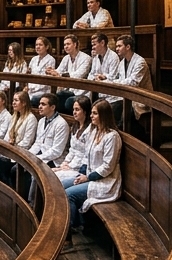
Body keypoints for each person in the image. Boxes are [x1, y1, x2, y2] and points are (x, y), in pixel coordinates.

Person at [63, 100, 123, 234]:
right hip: (89, 176)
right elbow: (86, 156)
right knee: (60, 185)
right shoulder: (94, 131)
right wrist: (82, 175)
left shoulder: (112, 136)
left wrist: (88, 177)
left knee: (68, 195)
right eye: (92, 113)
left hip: (104, 182)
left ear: (104, 115)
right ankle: (75, 222)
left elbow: (108, 167)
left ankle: (70, 232)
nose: (91, 116)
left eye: (95, 113)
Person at [0, 91, 39, 185]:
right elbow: (7, 135)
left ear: (24, 102)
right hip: (10, 150)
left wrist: (13, 145)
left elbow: (27, 142)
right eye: (13, 100)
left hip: (21, 152)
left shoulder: (31, 119)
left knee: (7, 166)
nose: (13, 103)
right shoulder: (15, 116)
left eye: (16, 100)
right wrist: (8, 144)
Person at [108, 34, 152, 124]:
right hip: (125, 95)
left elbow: (133, 82)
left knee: (117, 108)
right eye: (116, 46)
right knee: (106, 106)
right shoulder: (122, 62)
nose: (116, 49)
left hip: (139, 98)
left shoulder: (140, 62)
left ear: (128, 47)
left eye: (119, 46)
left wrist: (114, 83)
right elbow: (118, 78)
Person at [54, 95, 95, 187]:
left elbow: (85, 155)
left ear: (85, 111)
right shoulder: (75, 126)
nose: (74, 112)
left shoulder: (90, 130)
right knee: (49, 175)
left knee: (56, 182)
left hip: (79, 168)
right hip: (71, 165)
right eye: (73, 109)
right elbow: (72, 150)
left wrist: (69, 167)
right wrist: (65, 163)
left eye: (77, 110)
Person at [48, 34, 92, 112]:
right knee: (56, 99)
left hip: (81, 92)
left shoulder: (86, 58)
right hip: (68, 90)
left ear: (75, 44)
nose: (66, 47)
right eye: (64, 45)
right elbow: (59, 70)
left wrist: (60, 75)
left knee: (68, 102)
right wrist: (52, 71)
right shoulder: (66, 58)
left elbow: (79, 75)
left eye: (68, 44)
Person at [31, 94, 70, 169]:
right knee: (18, 167)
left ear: (52, 107)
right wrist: (29, 154)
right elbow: (38, 143)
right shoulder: (42, 121)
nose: (40, 107)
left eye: (43, 104)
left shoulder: (61, 124)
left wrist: (38, 158)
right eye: (39, 104)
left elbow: (57, 151)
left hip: (54, 160)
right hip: (40, 155)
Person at [26, 37, 56, 105]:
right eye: (36, 45)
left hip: (43, 91)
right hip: (31, 89)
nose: (38, 47)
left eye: (40, 45)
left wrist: (33, 87)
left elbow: (47, 79)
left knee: (33, 100)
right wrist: (28, 87)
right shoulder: (34, 59)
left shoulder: (51, 59)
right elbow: (29, 74)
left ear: (47, 47)